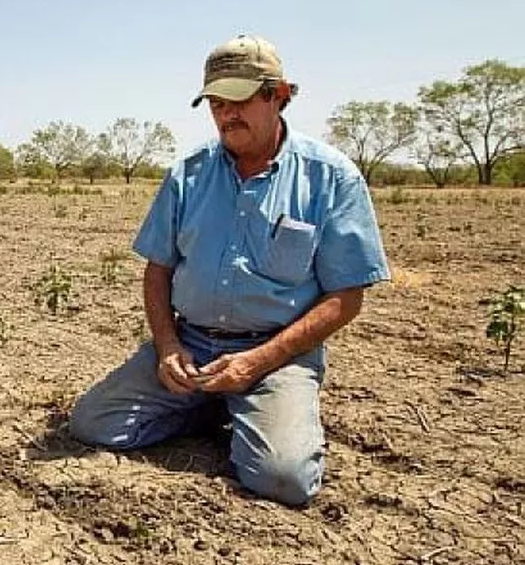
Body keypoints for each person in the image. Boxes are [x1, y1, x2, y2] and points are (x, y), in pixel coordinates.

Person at [67, 34, 390, 507]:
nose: (226, 114)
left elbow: (347, 298)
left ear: (278, 95)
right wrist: (168, 345)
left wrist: (254, 364)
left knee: (283, 479)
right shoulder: (188, 174)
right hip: (191, 345)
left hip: (275, 356)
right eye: (216, 102)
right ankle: (206, 404)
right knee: (93, 424)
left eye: (239, 99)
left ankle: (258, 411)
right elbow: (157, 271)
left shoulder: (331, 177)